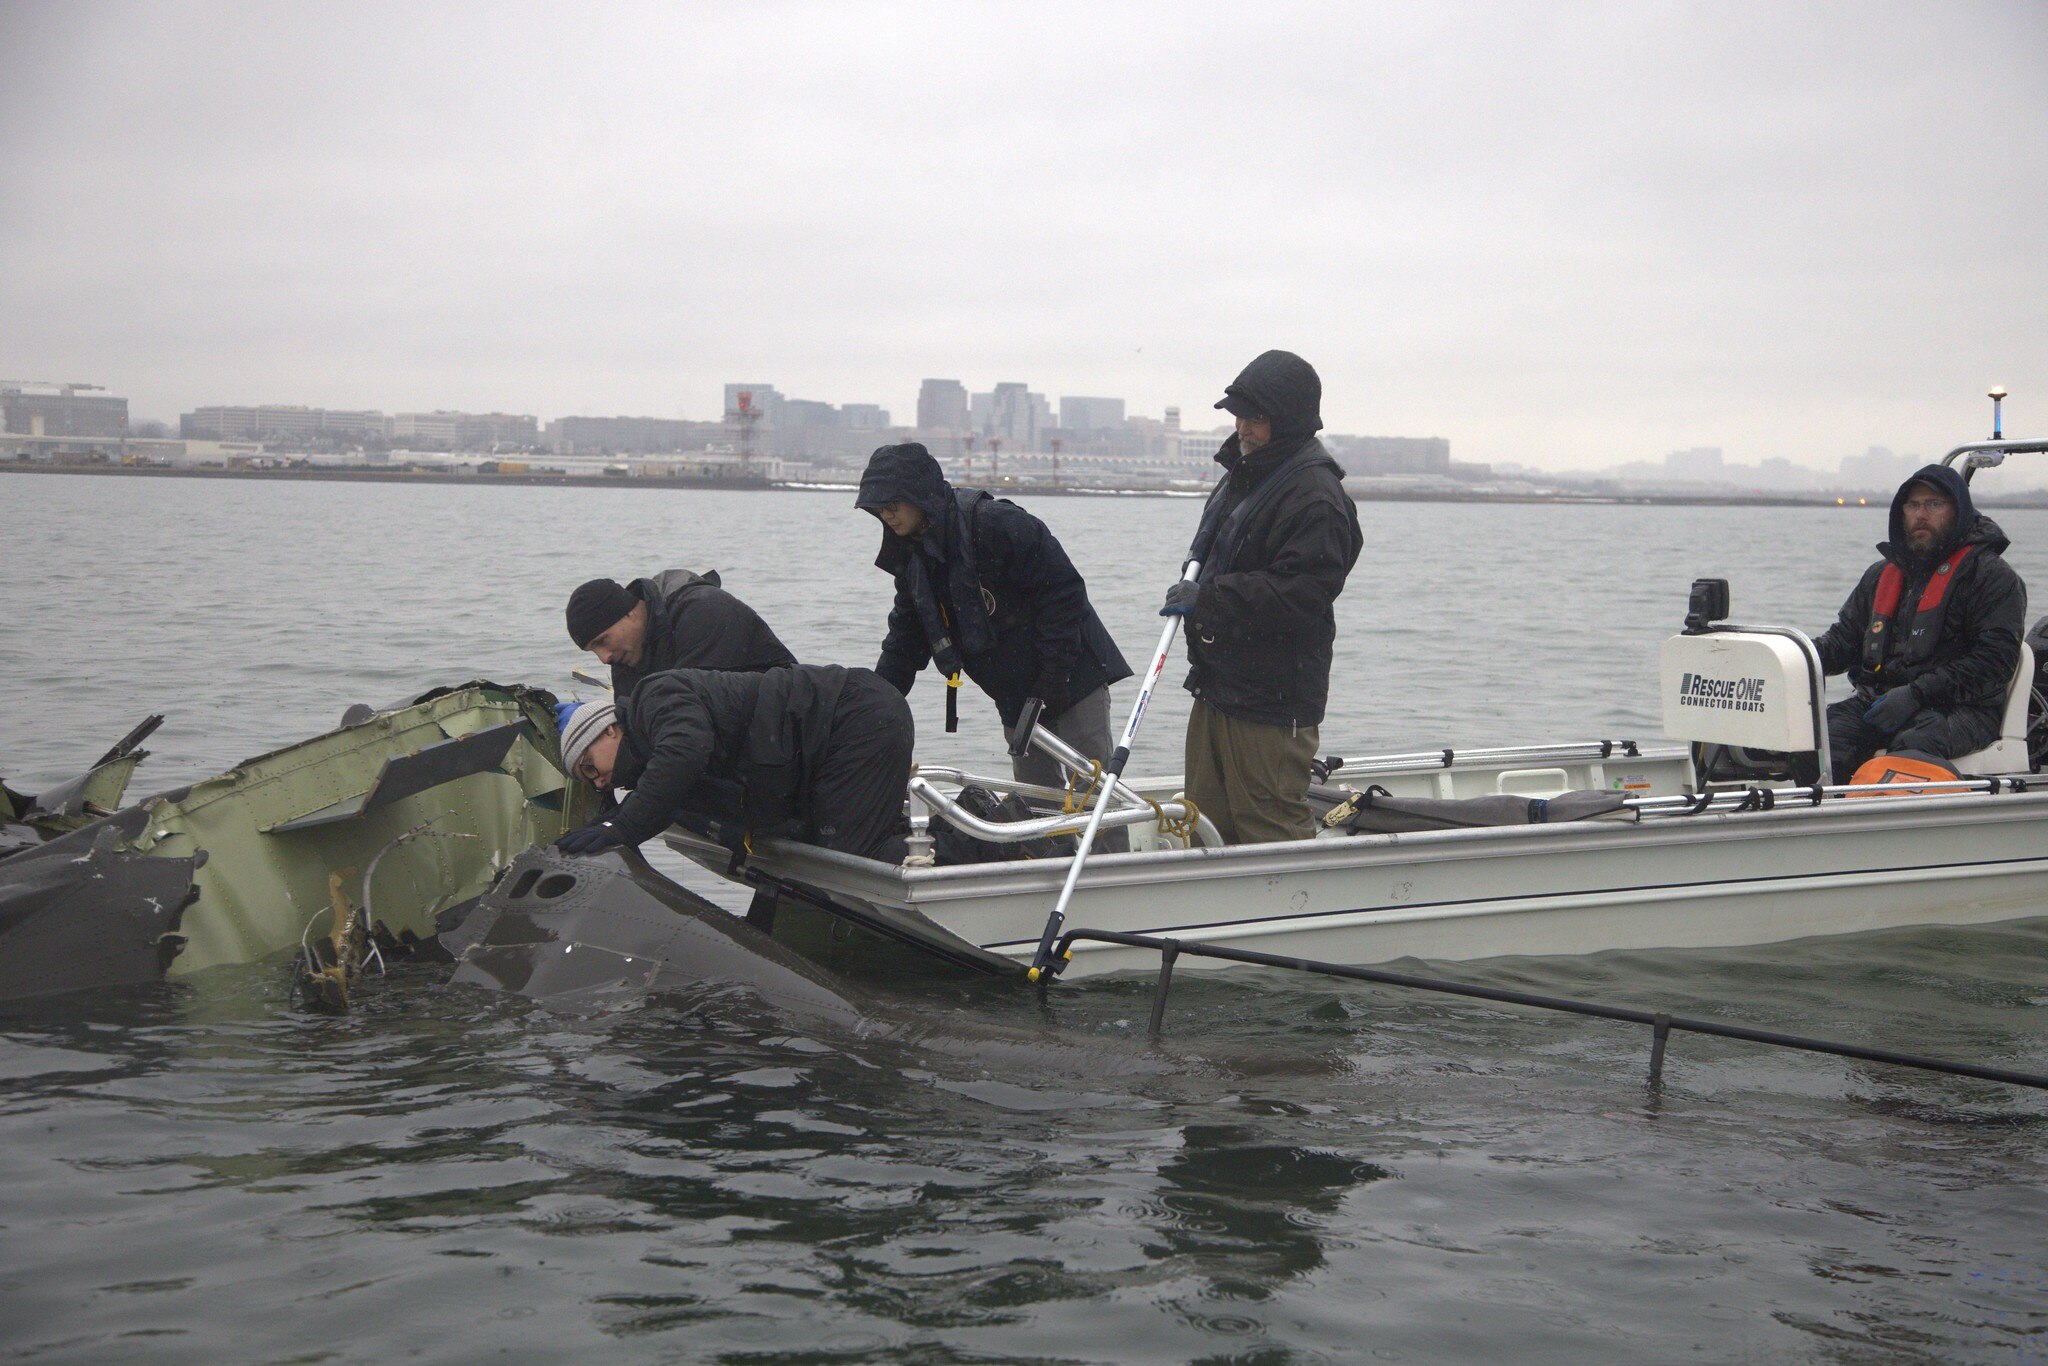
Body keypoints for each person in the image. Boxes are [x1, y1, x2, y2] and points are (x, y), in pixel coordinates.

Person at [1160, 350, 1362, 844]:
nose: (1243, 429)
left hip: (1272, 705)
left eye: (1256, 419)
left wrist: (1208, 599)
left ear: (1288, 422)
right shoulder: (1245, 475)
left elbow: (1300, 594)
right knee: (1201, 825)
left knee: (1270, 831)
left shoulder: (1315, 496)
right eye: (1239, 417)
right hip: (1218, 686)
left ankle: (1295, 916)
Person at [855, 442, 1131, 788]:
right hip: (1014, 692)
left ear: (919, 496)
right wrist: (876, 703)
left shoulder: (997, 524)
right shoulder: (911, 556)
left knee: (1096, 793)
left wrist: (1054, 678)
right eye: (879, 509)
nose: (888, 516)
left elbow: (1064, 594)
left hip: (1073, 678)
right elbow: (905, 639)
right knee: (1034, 800)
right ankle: (1048, 845)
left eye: (893, 505)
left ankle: (1107, 845)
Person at [552, 663, 914, 864]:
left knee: (856, 857)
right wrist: (609, 826)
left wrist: (622, 829)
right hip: (837, 737)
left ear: (609, 730)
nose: (597, 782)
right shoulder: (651, 758)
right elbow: (663, 795)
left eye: (588, 766)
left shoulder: (654, 697)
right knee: (841, 845)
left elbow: (684, 756)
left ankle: (967, 853)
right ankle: (945, 839)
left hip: (855, 719)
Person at [1814, 464, 2026, 783]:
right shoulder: (1879, 577)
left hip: (1964, 710)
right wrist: (1794, 656)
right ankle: (1817, 822)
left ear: (1959, 510)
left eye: (1934, 504)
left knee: (1910, 751)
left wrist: (1916, 694)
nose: (1921, 514)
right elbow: (1841, 644)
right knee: (1817, 739)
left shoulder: (1993, 578)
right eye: (1913, 505)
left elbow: (1995, 662)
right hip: (1878, 703)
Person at [565, 569, 796, 695]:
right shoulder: (627, 656)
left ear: (629, 613)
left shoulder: (705, 610)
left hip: (793, 740)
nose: (603, 658)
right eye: (593, 650)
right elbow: (635, 730)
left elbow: (690, 713)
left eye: (602, 641)